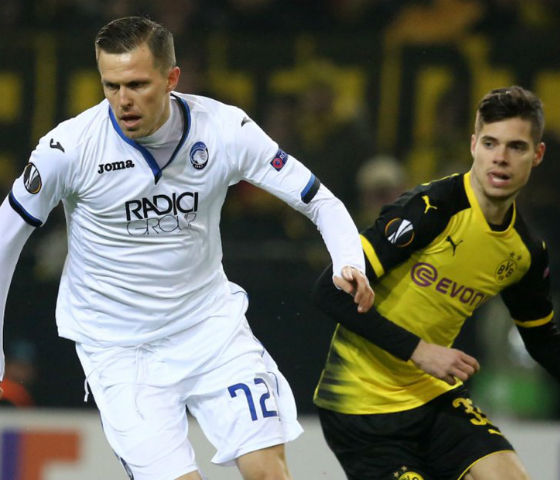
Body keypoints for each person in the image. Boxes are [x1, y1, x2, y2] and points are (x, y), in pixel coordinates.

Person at [0, 16, 373, 480]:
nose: (123, 100)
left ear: (171, 78)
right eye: (111, 85)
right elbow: (6, 236)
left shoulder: (224, 129)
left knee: (268, 472)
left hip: (210, 330)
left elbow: (319, 200)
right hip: (120, 351)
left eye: (137, 84)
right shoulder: (70, 149)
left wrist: (348, 261)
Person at [312, 86, 560, 480]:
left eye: (516, 147)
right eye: (490, 143)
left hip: (433, 400)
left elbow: (542, 339)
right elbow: (329, 292)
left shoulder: (524, 251)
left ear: (537, 155)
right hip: (360, 408)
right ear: (473, 146)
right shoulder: (430, 209)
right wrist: (419, 351)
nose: (501, 157)